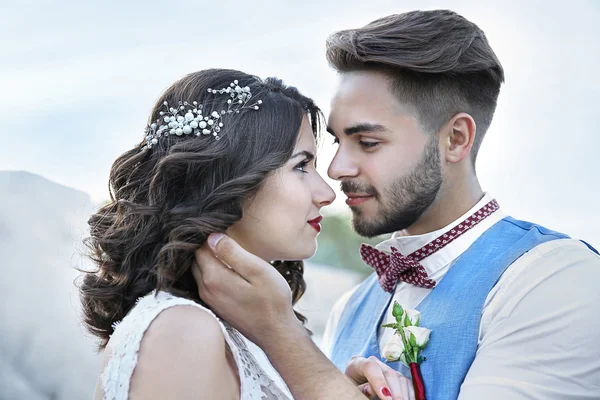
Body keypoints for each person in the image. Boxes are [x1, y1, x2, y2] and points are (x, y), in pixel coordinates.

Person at [194, 10, 600, 400]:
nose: (337, 169)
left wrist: (281, 332)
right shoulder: (352, 306)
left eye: (367, 142)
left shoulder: (555, 280)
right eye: (338, 141)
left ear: (456, 139)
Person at [79, 69, 411, 399]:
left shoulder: (229, 331)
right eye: (300, 166)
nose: (327, 193)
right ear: (230, 179)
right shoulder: (181, 330)